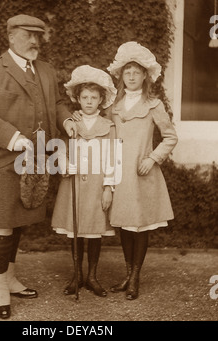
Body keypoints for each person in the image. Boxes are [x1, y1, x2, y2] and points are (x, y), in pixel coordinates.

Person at [0, 14, 76, 319]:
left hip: (35, 161)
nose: (34, 42)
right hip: (2, 159)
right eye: (28, 35)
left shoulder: (46, 70)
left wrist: (66, 119)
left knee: (17, 222)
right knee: (2, 224)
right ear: (11, 36)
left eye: (38, 36)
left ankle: (11, 278)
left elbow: (55, 104)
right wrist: (12, 137)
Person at [106, 41, 178, 300]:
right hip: (119, 174)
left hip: (142, 173)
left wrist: (153, 158)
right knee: (125, 226)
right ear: (121, 76)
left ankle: (136, 276)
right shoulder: (113, 106)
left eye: (137, 71)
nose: (132, 76)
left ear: (145, 75)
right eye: (127, 71)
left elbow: (170, 137)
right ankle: (127, 274)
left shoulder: (153, 105)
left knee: (140, 227)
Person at [51, 65, 119, 297]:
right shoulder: (72, 124)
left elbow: (113, 158)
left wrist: (108, 187)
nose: (89, 101)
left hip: (97, 186)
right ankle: (77, 275)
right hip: (75, 186)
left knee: (94, 232)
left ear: (101, 100)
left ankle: (92, 275)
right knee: (77, 231)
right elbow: (61, 149)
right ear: (77, 99)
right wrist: (64, 163)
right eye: (85, 97)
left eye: (94, 97)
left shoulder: (108, 126)